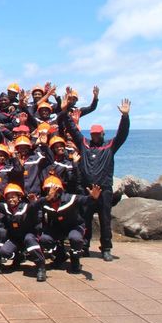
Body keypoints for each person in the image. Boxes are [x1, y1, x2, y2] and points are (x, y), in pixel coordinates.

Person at [60, 97, 130, 261]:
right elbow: (71, 129)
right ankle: (84, 246)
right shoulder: (84, 144)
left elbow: (122, 134)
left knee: (105, 220)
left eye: (98, 134)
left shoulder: (109, 146)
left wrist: (125, 117)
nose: (95, 136)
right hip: (86, 190)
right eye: (93, 134)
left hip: (104, 189)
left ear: (103, 134)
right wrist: (64, 112)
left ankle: (106, 248)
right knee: (85, 219)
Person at [38, 176, 102, 273]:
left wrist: (93, 198)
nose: (52, 192)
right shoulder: (45, 203)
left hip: (74, 226)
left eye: (54, 189)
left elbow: (85, 200)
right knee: (44, 239)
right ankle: (60, 255)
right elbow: (33, 207)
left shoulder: (70, 199)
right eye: (48, 190)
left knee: (75, 238)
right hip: (58, 228)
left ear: (60, 190)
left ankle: (75, 259)